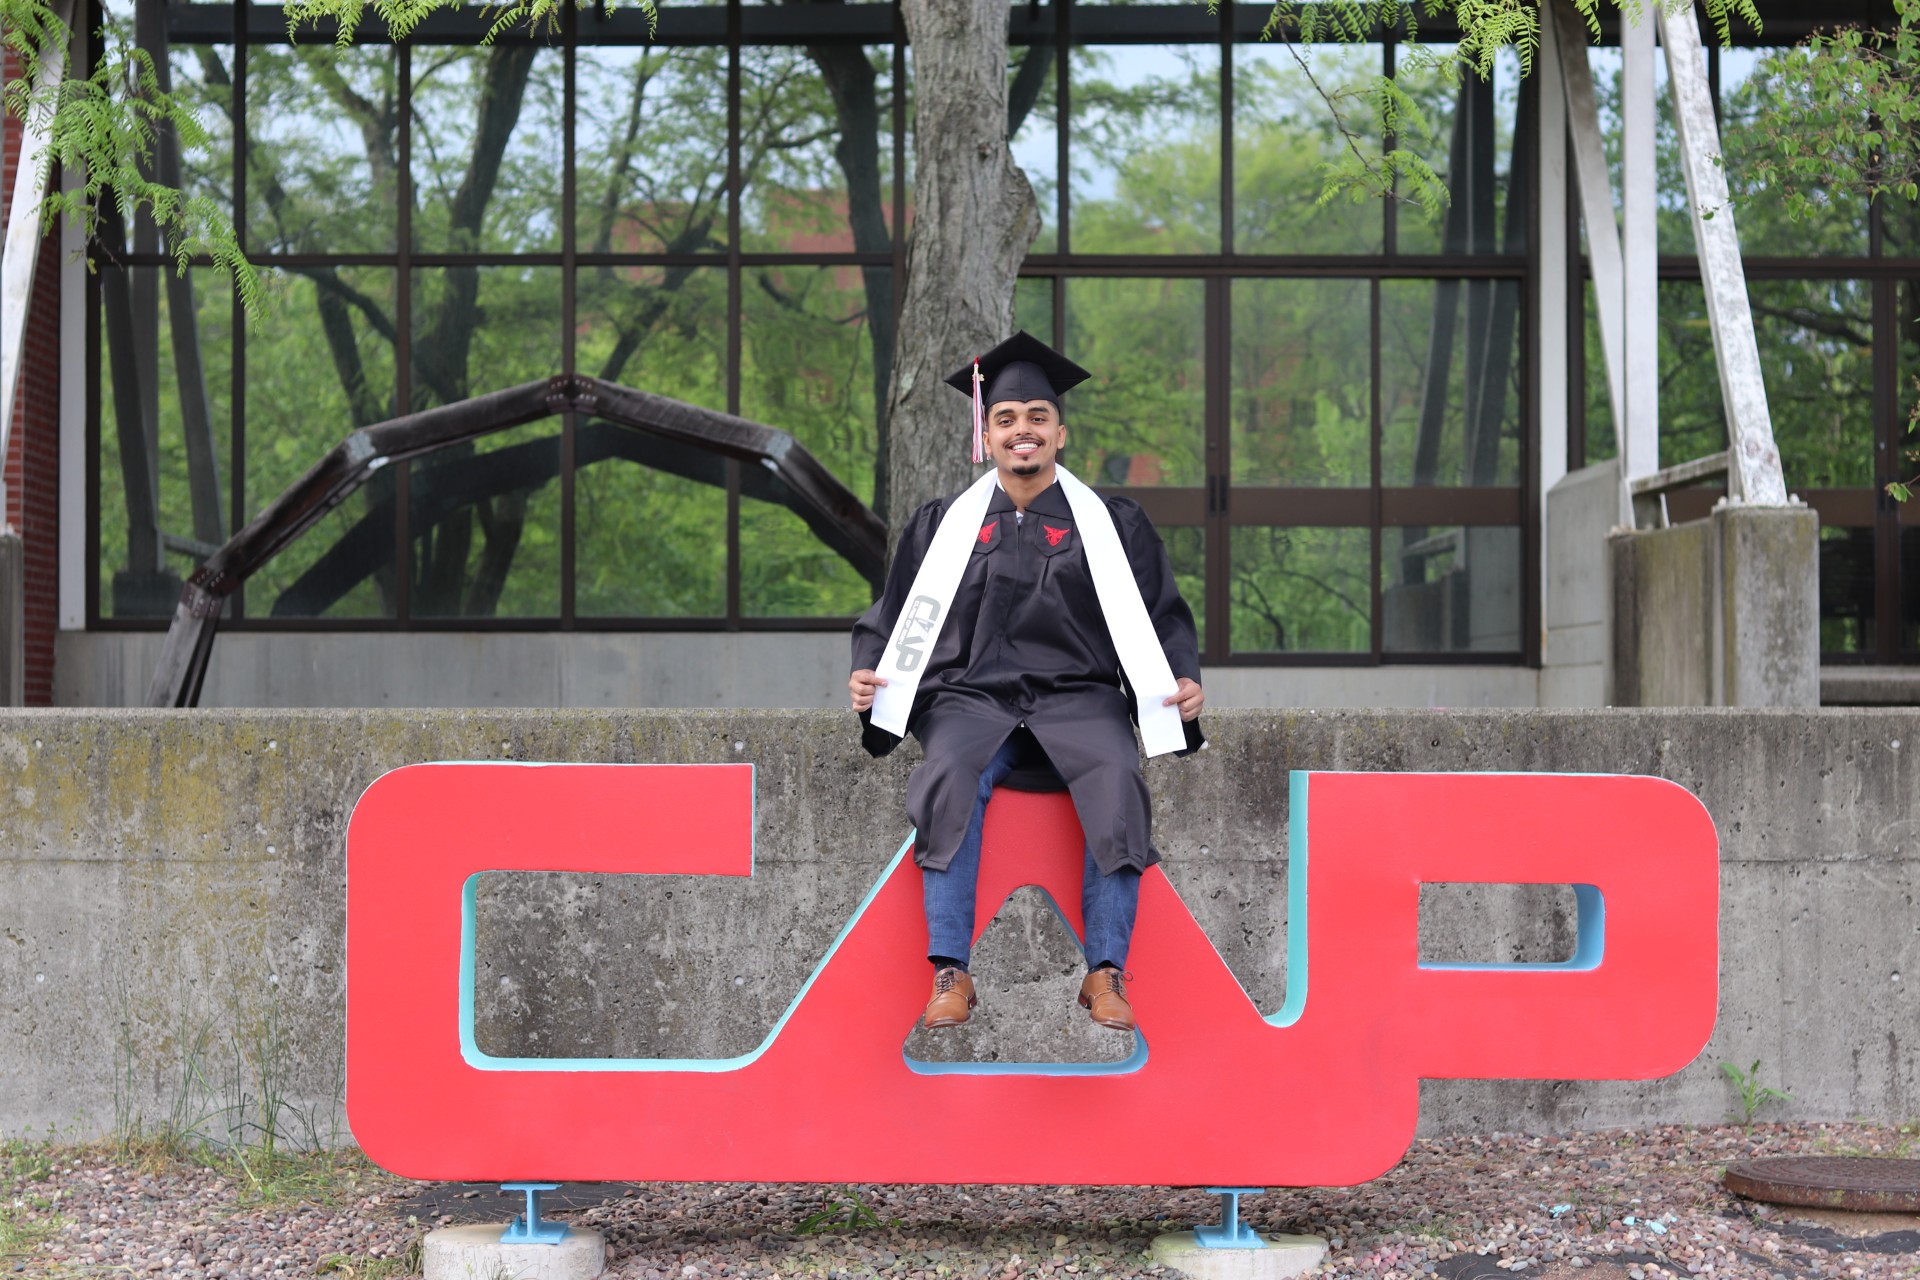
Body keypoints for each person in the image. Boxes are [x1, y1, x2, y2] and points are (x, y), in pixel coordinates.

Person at [848, 331, 1205, 1035]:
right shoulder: (944, 524)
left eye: (1037, 417)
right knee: (947, 772)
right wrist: (869, 673)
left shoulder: (1111, 524)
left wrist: (1184, 677)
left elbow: (1160, 612)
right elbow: (891, 616)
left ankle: (1105, 972)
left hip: (1080, 699)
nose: (1023, 431)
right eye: (1007, 419)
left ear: (1059, 433)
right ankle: (950, 971)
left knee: (1116, 774)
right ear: (987, 433)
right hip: (970, 700)